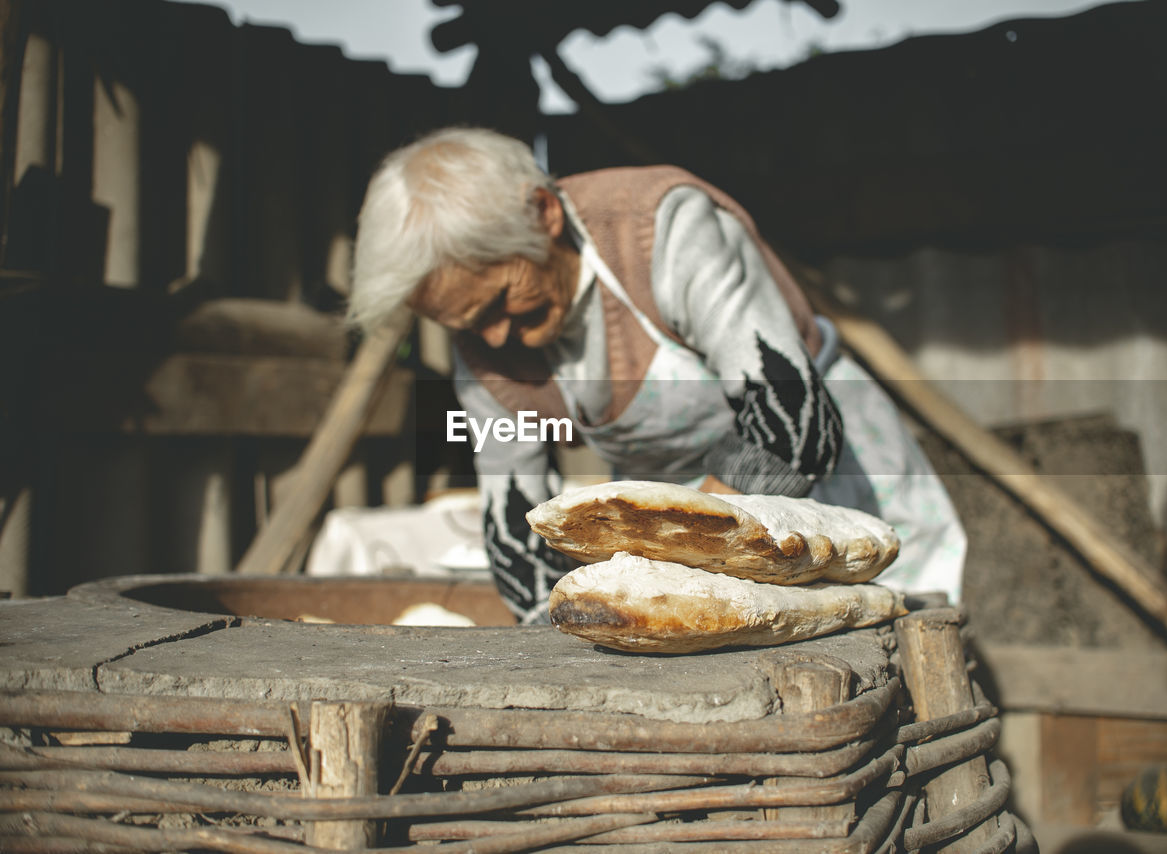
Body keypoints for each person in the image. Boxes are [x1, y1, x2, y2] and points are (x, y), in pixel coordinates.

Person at [348, 127, 965, 624]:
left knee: (893, 640)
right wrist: (562, 634)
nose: (493, 339)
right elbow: (512, 512)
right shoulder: (483, 343)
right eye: (463, 323)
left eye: (498, 302)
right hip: (681, 517)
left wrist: (696, 542)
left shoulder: (664, 228)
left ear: (542, 215)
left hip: (834, 473)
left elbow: (792, 423)